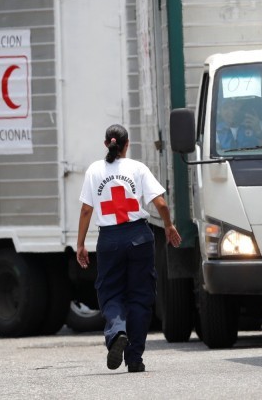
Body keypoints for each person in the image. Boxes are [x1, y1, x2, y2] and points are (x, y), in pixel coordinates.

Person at [76, 124, 181, 373]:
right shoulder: (138, 168)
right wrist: (169, 226)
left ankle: (117, 332)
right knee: (140, 297)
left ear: (106, 144)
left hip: (110, 240)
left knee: (111, 293)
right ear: (127, 144)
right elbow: (161, 204)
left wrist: (80, 244)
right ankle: (134, 358)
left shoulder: (94, 170)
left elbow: (87, 210)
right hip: (138, 238)